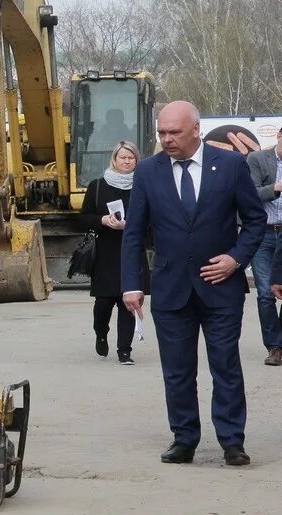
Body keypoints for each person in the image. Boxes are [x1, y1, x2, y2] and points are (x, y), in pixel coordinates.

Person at [121, 100, 265, 467]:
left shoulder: (231, 166)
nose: (167, 140)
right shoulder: (148, 172)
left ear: (196, 130)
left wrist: (236, 259)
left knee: (226, 366)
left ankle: (232, 441)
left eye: (174, 133)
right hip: (171, 289)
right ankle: (184, 438)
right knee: (177, 371)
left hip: (221, 288)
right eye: (162, 133)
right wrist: (131, 285)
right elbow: (134, 233)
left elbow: (254, 221)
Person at [79, 141, 148, 365]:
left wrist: (131, 226)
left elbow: (155, 219)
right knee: (102, 305)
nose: (127, 161)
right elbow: (82, 219)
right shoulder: (98, 186)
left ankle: (124, 351)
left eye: (131, 158)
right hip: (106, 253)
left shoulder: (144, 186)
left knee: (129, 303)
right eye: (123, 157)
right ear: (114, 160)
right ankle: (101, 332)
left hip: (132, 251)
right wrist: (102, 220)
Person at [245, 128, 282, 366]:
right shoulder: (258, 159)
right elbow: (250, 194)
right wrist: (276, 188)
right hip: (265, 235)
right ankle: (275, 347)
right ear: (279, 137)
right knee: (266, 294)